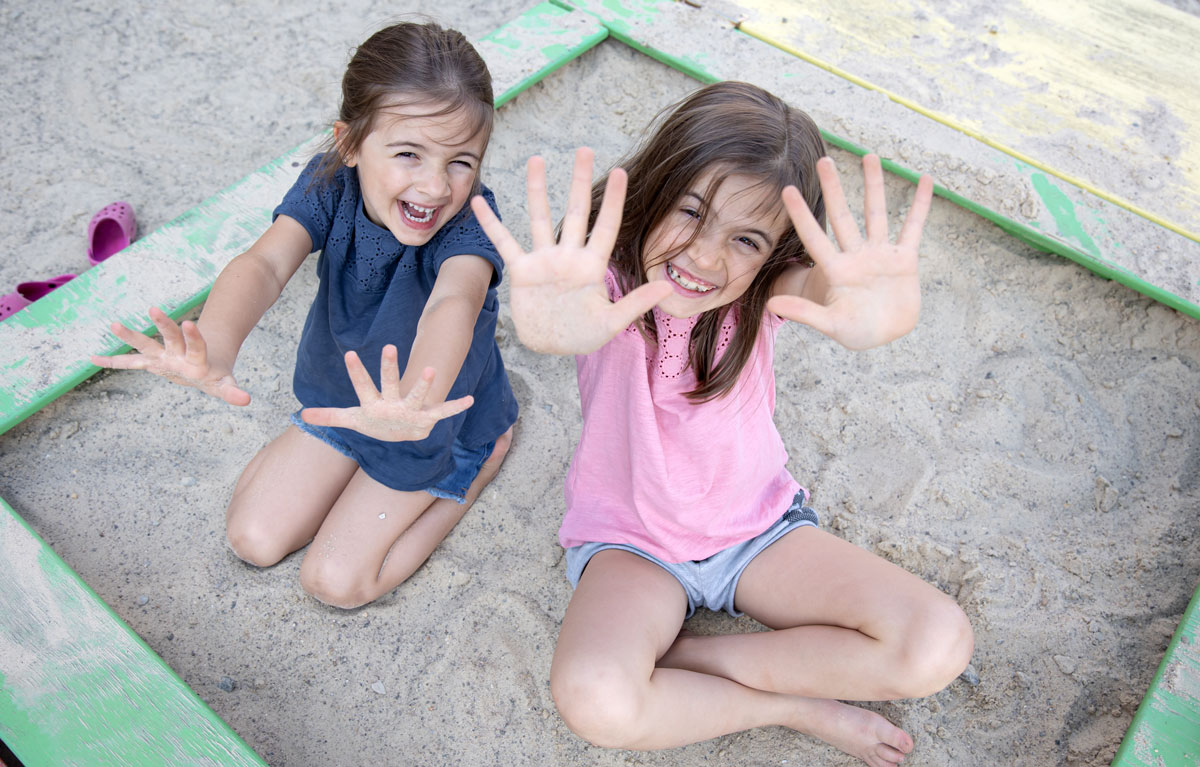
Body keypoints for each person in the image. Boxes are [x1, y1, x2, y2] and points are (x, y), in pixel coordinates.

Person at [471, 81, 972, 767]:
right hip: (633, 541)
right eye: (690, 211)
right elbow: (568, 316)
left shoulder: (769, 288)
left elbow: (829, 287)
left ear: (775, 254)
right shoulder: (601, 275)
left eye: (746, 239)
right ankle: (786, 705)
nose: (706, 257)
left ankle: (692, 657)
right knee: (596, 697)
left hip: (757, 531)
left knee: (935, 642)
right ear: (656, 184)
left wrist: (864, 301)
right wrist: (556, 330)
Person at [91, 22, 517, 609]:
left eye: (461, 161)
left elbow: (455, 302)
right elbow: (266, 263)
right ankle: (337, 469)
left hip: (427, 418)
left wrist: (415, 404)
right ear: (349, 144)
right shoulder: (330, 183)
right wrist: (213, 344)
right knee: (253, 539)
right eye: (408, 154)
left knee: (337, 583)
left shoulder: (472, 222)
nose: (436, 185)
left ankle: (476, 464)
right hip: (344, 402)